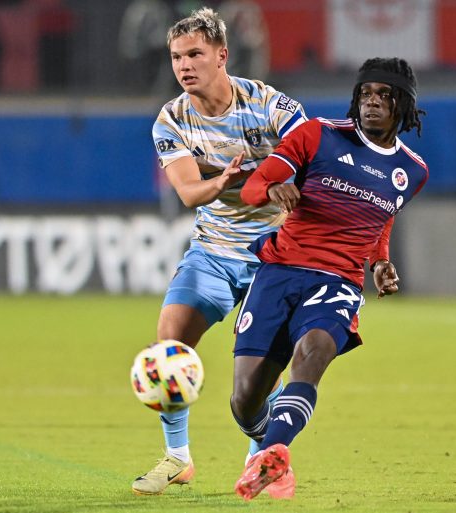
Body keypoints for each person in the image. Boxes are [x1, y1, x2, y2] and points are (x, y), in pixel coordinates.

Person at [228, 57, 428, 500]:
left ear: (404, 104)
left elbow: (382, 216)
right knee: (244, 400)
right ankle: (264, 441)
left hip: (338, 281)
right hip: (280, 271)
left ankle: (275, 453)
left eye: (384, 95)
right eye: (365, 93)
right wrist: (274, 188)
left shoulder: (412, 171)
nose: (372, 102)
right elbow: (254, 186)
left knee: (313, 351)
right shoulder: (317, 134)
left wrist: (379, 262)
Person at [132, 7, 306, 495]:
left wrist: (274, 177)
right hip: (213, 250)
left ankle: (260, 460)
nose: (184, 65)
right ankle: (177, 457)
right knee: (167, 347)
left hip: (274, 254)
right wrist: (231, 180)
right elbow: (189, 192)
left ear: (222, 55)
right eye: (176, 57)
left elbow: (311, 151)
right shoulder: (172, 119)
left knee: (260, 368)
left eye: (194, 54)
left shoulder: (267, 103)